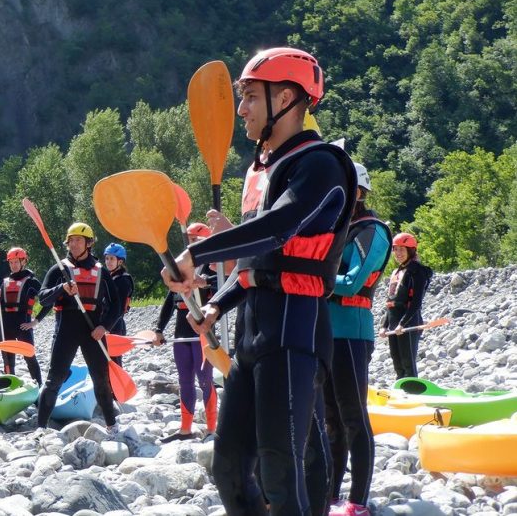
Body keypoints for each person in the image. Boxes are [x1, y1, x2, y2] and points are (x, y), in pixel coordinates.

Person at [162, 47, 357, 516]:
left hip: (295, 331)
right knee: (228, 468)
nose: (241, 109)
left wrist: (198, 253)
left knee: (280, 467)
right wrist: (217, 305)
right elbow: (259, 260)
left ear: (287, 97)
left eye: (250, 96)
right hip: (253, 334)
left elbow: (280, 227)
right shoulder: (268, 172)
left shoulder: (322, 165)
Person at [325, 163, 392, 516]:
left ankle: (359, 500)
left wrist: (313, 279)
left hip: (352, 332)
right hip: (326, 332)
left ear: (358, 193)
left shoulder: (373, 231)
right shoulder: (337, 229)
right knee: (330, 417)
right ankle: (331, 493)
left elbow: (352, 282)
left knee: (353, 416)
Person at [37, 222, 120, 431]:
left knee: (101, 380)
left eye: (78, 240)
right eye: (71, 240)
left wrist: (105, 326)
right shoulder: (60, 268)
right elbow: (43, 298)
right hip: (66, 329)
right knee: (54, 380)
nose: (73, 244)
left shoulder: (101, 270)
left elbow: (117, 305)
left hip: (93, 331)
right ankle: (41, 429)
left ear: (88, 243)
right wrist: (62, 288)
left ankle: (112, 426)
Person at [154, 222, 218, 442]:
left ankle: (211, 428)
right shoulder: (180, 269)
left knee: (205, 381)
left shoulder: (213, 268)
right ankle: (185, 429)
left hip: (203, 335)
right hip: (181, 334)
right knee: (185, 381)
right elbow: (169, 302)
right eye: (190, 240)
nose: (192, 244)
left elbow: (223, 288)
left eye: (197, 240)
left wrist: (205, 284)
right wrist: (158, 330)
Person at [379, 232, 432, 380]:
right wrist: (384, 325)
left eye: (402, 249)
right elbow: (391, 303)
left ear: (411, 250)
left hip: (409, 321)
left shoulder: (418, 272)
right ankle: (401, 391)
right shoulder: (396, 272)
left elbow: (416, 303)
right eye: (396, 249)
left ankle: (412, 389)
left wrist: (402, 324)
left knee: (408, 362)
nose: (398, 253)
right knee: (397, 362)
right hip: (394, 323)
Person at [0, 247, 46, 385]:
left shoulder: (32, 281)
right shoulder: (4, 282)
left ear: (23, 262)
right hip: (5, 325)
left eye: (17, 262)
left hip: (23, 325)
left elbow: (48, 302)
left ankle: (39, 387)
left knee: (30, 357)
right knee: (8, 360)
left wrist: (35, 322)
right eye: (11, 262)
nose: (14, 265)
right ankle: (11, 387)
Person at [103, 242, 134, 366]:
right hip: (105, 324)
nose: (108, 262)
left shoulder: (123, 280)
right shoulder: (107, 278)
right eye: (107, 258)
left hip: (115, 325)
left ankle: (116, 385)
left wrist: (107, 327)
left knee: (114, 362)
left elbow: (119, 309)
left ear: (120, 261)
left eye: (112, 259)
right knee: (103, 362)